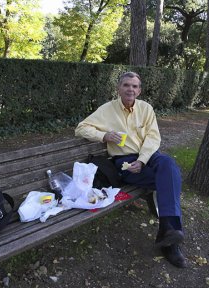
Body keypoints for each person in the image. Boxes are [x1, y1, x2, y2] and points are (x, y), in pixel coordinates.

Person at [75, 71, 187, 268]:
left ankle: (167, 230)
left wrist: (143, 160)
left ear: (139, 90)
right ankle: (170, 238)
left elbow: (153, 138)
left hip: (149, 156)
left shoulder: (146, 108)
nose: (130, 89)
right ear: (119, 88)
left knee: (168, 165)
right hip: (125, 162)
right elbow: (81, 128)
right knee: (171, 179)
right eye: (126, 85)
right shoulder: (107, 110)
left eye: (135, 86)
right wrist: (104, 136)